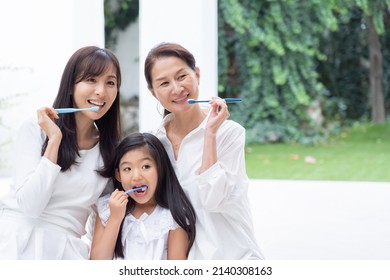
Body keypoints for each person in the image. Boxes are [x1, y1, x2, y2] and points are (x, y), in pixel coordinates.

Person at [143, 42, 264, 260]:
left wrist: (210, 134)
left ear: (197, 75)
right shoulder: (154, 143)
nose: (176, 89)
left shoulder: (229, 133)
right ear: (153, 92)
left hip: (234, 259)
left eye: (181, 77)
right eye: (164, 83)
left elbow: (213, 199)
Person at [0, 46, 122, 259]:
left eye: (110, 83)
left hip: (67, 252)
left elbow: (103, 220)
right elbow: (30, 206)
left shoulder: (110, 153)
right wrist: (54, 141)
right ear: (71, 86)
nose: (101, 91)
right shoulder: (34, 130)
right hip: (16, 245)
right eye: (91, 80)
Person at [90, 132, 196, 260]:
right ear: (118, 175)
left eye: (146, 166)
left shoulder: (173, 216)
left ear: (160, 168)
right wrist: (115, 218)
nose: (136, 176)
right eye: (127, 169)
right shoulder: (107, 208)